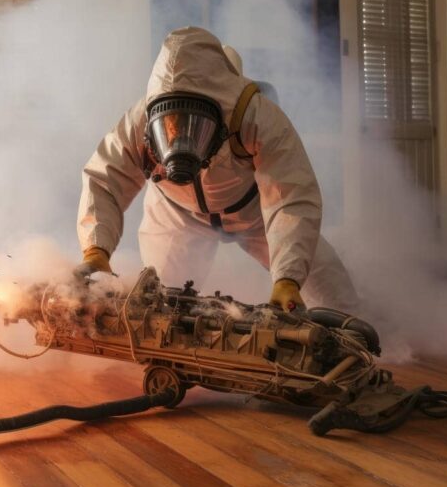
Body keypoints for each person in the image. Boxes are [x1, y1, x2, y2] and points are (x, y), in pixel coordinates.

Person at [76, 26, 358, 312]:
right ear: (153, 117)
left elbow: (290, 199)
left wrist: (288, 280)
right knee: (161, 309)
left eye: (194, 126)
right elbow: (103, 180)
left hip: (256, 214)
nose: (181, 139)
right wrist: (97, 250)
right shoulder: (138, 121)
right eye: (170, 126)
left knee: (335, 300)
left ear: (222, 114)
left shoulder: (256, 116)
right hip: (177, 215)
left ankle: (366, 337)